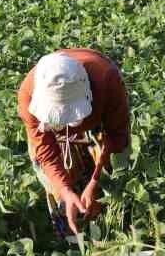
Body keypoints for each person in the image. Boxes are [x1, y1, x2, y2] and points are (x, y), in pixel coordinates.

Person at [17, 49, 130, 240]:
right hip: (50, 137)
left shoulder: (106, 80)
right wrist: (64, 190)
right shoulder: (28, 96)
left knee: (111, 178)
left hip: (99, 120)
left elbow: (117, 137)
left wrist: (97, 181)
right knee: (58, 188)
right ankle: (69, 238)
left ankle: (111, 231)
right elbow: (45, 151)